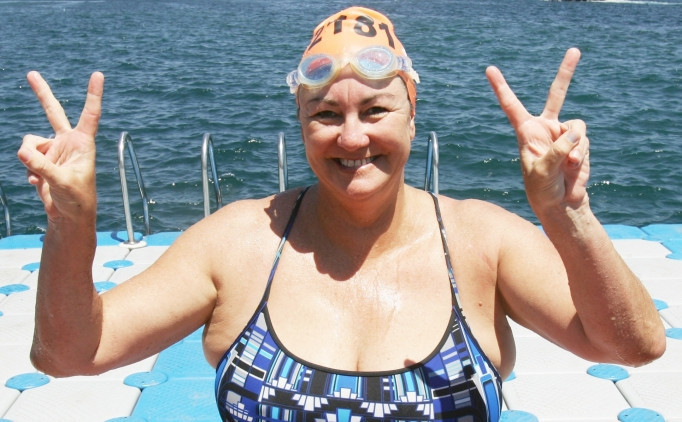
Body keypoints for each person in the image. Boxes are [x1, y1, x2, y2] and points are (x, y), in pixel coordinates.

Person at [18, 6, 665, 422]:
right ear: (301, 123)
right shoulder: (238, 242)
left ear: (412, 114)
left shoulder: (482, 242)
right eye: (326, 114)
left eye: (376, 110)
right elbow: (69, 355)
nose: (352, 137)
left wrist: (566, 211)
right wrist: (71, 223)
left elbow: (633, 346)